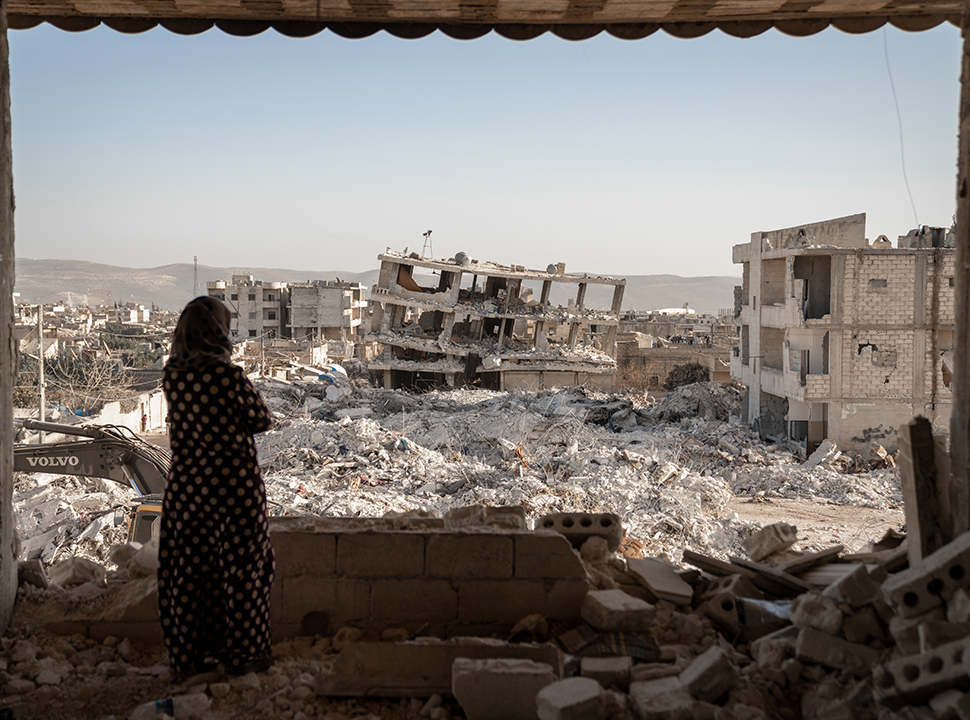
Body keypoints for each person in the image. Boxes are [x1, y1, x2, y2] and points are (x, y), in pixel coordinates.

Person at [158, 296, 274, 677]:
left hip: (188, 488)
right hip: (232, 486)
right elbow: (261, 420)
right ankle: (245, 655)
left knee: (190, 572)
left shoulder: (171, 375)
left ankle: (190, 658)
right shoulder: (228, 376)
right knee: (243, 568)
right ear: (218, 331)